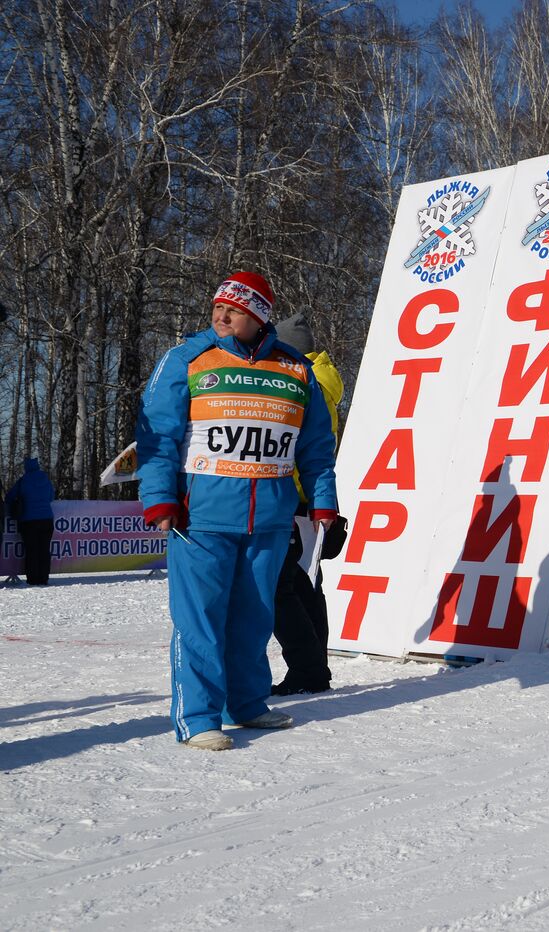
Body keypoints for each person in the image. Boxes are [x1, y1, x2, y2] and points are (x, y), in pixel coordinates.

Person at [137, 271, 339, 751]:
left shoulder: (295, 369)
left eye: (235, 310)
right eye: (218, 309)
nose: (222, 316)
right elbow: (157, 436)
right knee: (201, 619)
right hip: (199, 518)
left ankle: (245, 704)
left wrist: (324, 501)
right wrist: (160, 497)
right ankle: (198, 717)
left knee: (255, 617)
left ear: (259, 317)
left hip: (269, 517)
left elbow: (314, 446)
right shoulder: (186, 359)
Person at [269, 313, 344, 696]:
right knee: (306, 588)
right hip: (313, 504)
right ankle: (316, 668)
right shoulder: (324, 384)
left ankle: (307, 668)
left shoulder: (302, 383)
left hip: (292, 500)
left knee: (279, 591)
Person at [4, 458, 55, 585]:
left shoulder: (23, 481)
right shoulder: (46, 479)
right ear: (37, 466)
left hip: (29, 521)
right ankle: (44, 578)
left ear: (26, 468)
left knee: (31, 551)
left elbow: (9, 497)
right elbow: (51, 497)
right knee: (44, 550)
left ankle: (33, 579)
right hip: (47, 520)